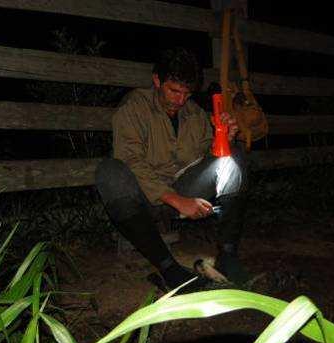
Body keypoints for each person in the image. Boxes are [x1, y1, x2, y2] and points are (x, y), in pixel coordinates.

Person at [95, 47, 250, 292]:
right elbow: (131, 161)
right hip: (144, 199)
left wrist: (225, 140)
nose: (180, 100)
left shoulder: (195, 114)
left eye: (186, 93)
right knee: (109, 172)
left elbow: (208, 159)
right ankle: (169, 268)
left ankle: (228, 256)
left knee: (234, 157)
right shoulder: (133, 109)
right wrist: (177, 200)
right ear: (157, 80)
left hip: (183, 190)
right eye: (174, 90)